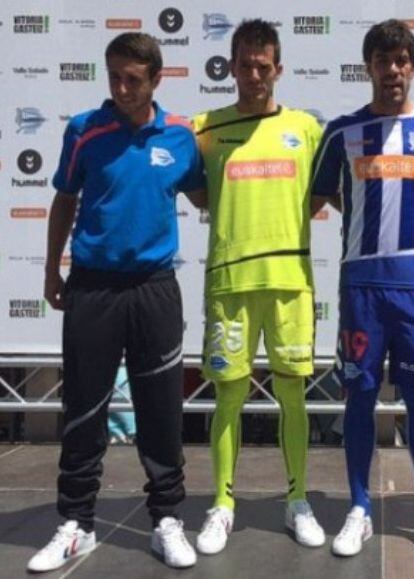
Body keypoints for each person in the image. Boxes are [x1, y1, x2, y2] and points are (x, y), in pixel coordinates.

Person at [29, 32, 205, 572]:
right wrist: (51, 267)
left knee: (160, 411)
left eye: (133, 79)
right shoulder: (84, 130)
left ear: (156, 79)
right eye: (114, 77)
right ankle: (77, 523)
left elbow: (205, 195)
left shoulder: (180, 137)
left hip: (154, 290)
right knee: (83, 407)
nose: (123, 88)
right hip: (92, 287)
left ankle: (166, 519)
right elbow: (64, 199)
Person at [311, 19, 414, 559]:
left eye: (402, 60)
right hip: (361, 287)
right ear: (368, 67)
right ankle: (358, 507)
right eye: (383, 60)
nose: (393, 69)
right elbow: (316, 198)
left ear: (413, 66)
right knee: (359, 395)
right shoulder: (342, 132)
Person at [193, 19, 325, 554]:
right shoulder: (205, 129)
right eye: (244, 65)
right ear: (230, 66)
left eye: (263, 66)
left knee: (292, 394)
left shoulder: (307, 129)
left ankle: (297, 502)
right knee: (230, 396)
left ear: (278, 68)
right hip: (230, 284)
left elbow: (317, 198)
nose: (254, 75)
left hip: (290, 283)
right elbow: (202, 198)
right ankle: (222, 505)